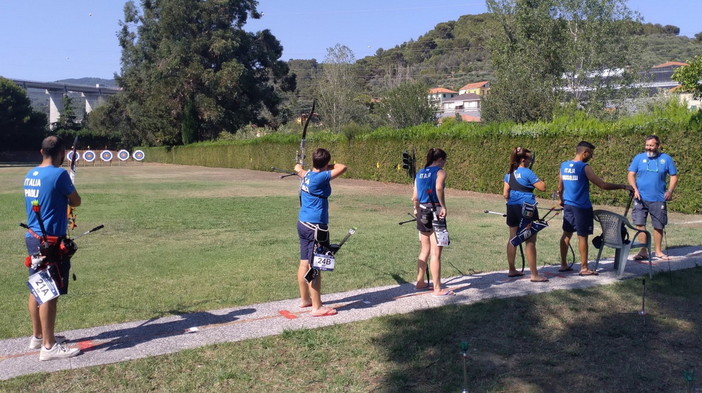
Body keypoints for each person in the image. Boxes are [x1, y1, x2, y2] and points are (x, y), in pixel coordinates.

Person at [23, 136, 82, 360]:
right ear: (62, 153)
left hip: (33, 236)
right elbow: (76, 201)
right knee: (49, 293)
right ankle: (48, 347)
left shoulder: (31, 174)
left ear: (41, 151)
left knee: (37, 288)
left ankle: (38, 336)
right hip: (50, 242)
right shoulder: (59, 174)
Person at [558, 141, 631, 276]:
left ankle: (563, 264)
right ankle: (584, 268)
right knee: (582, 236)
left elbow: (560, 187)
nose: (591, 157)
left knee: (566, 234)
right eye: (590, 154)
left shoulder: (564, 165)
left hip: (568, 205)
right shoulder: (584, 167)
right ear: (584, 152)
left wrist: (562, 201)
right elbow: (602, 185)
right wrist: (623, 186)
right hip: (582, 207)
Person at [295, 148, 347, 317]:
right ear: (324, 164)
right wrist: (326, 166)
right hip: (315, 226)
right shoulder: (320, 176)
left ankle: (305, 299)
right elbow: (342, 166)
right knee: (316, 265)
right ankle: (317, 307)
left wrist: (304, 167)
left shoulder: (308, 175)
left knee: (304, 263)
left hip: (303, 223)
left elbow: (300, 171)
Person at [627, 135, 678, 260]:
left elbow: (673, 176)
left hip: (658, 198)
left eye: (651, 145)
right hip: (640, 198)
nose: (648, 148)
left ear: (658, 146)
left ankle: (658, 251)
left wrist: (670, 190)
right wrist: (635, 189)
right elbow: (631, 175)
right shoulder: (639, 158)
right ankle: (643, 251)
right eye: (647, 145)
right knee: (640, 223)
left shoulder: (666, 159)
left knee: (658, 225)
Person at [502, 147, 549, 282]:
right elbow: (542, 187)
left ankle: (511, 269)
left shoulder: (509, 174)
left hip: (512, 207)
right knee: (530, 240)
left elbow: (505, 193)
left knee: (513, 238)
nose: (530, 161)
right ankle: (534, 275)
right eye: (529, 159)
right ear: (523, 160)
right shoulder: (528, 172)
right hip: (527, 208)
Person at [412, 148, 454, 296]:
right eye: (444, 160)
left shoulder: (419, 173)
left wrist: (416, 209)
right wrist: (443, 206)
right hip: (435, 212)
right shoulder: (440, 172)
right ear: (440, 159)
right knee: (436, 253)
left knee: (424, 250)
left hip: (422, 211)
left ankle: (420, 281)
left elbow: (415, 197)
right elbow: (438, 188)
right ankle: (437, 288)